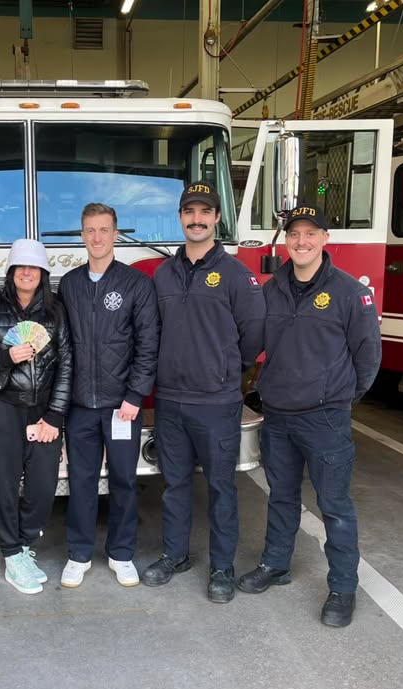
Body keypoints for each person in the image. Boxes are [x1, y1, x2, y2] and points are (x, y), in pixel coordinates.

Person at [236, 205, 381, 628]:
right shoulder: (270, 289)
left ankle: (342, 588)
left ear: (324, 239)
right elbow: (251, 342)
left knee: (334, 506)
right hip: (278, 417)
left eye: (310, 233)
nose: (301, 241)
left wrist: (339, 398)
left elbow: (368, 355)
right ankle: (275, 564)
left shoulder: (350, 292)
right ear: (285, 241)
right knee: (280, 497)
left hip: (326, 419)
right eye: (294, 234)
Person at [143, 182, 265, 603]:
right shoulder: (163, 274)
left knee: (220, 488)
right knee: (174, 485)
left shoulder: (235, 274)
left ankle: (221, 568)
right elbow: (153, 333)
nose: (196, 219)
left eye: (204, 212)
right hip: (171, 401)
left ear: (216, 219)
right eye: (189, 211)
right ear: (180, 217)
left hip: (216, 402)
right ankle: (175, 556)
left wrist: (223, 371)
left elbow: (253, 337)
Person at [0, 239, 72, 595]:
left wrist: (55, 416)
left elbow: (67, 365)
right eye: (20, 267)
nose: (27, 273)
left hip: (43, 413)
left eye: (33, 268)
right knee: (3, 485)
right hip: (1, 408)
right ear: (11, 273)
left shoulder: (56, 314)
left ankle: (22, 546)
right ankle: (11, 554)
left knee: (42, 486)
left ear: (42, 274)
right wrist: (4, 358)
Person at [58, 203, 159, 588]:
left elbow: (147, 345)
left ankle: (121, 553)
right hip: (80, 408)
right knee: (80, 480)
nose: (97, 237)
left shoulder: (136, 285)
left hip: (122, 408)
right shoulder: (69, 284)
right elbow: (63, 347)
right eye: (89, 230)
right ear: (82, 236)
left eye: (104, 230)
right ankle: (79, 554)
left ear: (116, 235)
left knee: (123, 480)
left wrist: (135, 395)